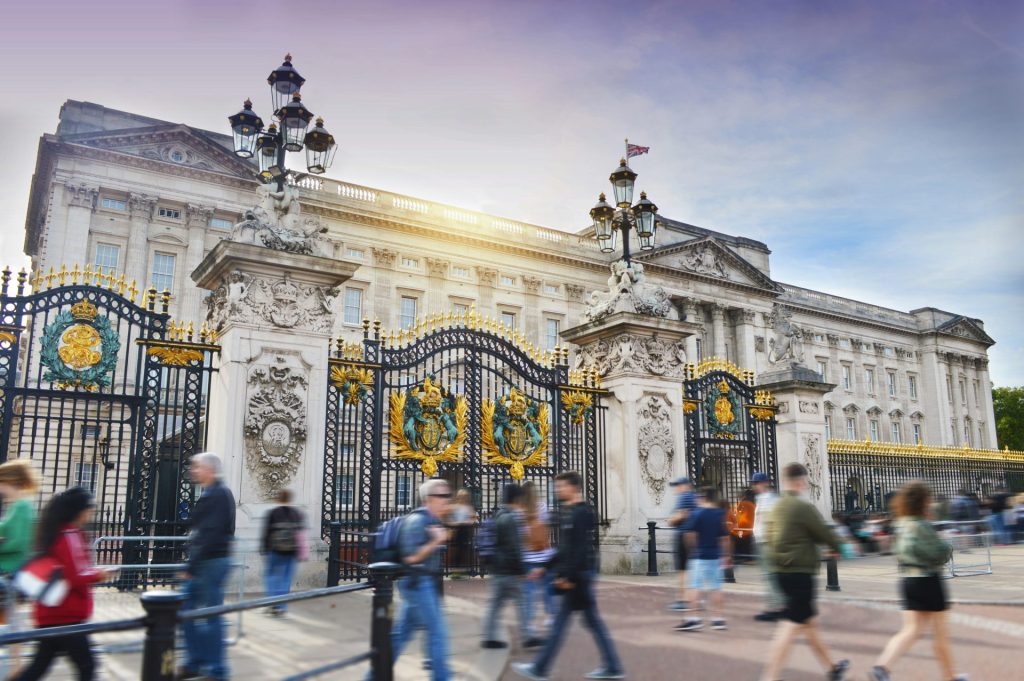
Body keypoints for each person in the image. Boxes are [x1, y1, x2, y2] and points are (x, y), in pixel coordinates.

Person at [511, 471, 625, 681]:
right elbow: (564, 549)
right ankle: (612, 665)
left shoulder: (582, 513)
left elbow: (580, 550)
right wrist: (543, 567)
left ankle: (541, 668)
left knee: (564, 624)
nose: (558, 490)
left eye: (561, 486)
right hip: (578, 575)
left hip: (579, 577)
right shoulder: (569, 511)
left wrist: (568, 577)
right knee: (587, 622)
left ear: (573, 487)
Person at [869, 480, 968, 681]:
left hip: (907, 580)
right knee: (940, 635)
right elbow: (940, 553)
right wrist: (946, 544)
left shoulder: (900, 524)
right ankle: (950, 677)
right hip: (929, 580)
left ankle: (882, 666)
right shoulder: (922, 525)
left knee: (911, 630)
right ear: (923, 502)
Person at [760, 463, 849, 681]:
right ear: (800, 482)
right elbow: (823, 534)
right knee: (790, 626)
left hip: (781, 571)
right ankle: (769, 677)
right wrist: (840, 548)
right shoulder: (803, 507)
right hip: (800, 573)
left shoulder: (776, 506)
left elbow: (769, 538)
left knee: (808, 623)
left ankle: (832, 668)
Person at [12, 487, 111, 681]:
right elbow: (75, 575)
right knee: (87, 666)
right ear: (79, 510)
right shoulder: (69, 535)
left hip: (53, 612)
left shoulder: (61, 532)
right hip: (66, 614)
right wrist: (99, 575)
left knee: (38, 668)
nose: (91, 514)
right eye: (90, 510)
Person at [367, 478, 453, 681]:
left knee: (400, 636)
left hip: (422, 584)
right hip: (417, 585)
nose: (447, 501)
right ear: (429, 498)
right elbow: (410, 557)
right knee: (438, 633)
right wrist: (436, 542)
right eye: (443, 496)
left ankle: (373, 676)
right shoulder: (416, 522)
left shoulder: (432, 521)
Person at [178, 452, 236, 681]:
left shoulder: (217, 494)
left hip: (209, 562)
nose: (193, 471)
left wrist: (190, 566)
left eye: (197, 467)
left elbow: (209, 532)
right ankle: (198, 661)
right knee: (190, 611)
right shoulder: (215, 492)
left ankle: (214, 668)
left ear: (210, 470)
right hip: (209, 560)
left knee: (208, 615)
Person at [481, 484, 541, 649]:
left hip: (499, 568)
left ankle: (488, 636)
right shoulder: (511, 518)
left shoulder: (499, 515)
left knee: (495, 605)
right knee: (521, 602)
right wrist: (522, 570)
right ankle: (528, 636)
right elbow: (515, 547)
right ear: (516, 499)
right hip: (509, 570)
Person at [0, 460, 39, 676]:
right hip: (8, 573)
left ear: (10, 481)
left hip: (11, 572)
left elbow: (18, 543)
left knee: (12, 622)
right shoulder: (15, 505)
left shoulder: (22, 506)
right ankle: (15, 669)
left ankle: (15, 669)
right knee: (12, 623)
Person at [675, 487, 731, 632]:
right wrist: (726, 555)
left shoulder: (697, 513)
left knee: (694, 587)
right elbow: (725, 538)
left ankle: (693, 619)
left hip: (699, 556)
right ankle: (718, 619)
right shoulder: (720, 514)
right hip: (715, 556)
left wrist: (692, 549)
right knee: (716, 588)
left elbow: (689, 535)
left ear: (704, 497)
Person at [520, 481, 556, 636]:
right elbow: (546, 530)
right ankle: (550, 615)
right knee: (548, 588)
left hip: (527, 556)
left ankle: (530, 623)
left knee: (529, 593)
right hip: (543, 555)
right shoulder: (542, 506)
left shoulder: (519, 511)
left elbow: (519, 535)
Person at [260, 488, 305, 616]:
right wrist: (301, 552)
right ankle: (282, 607)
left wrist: (264, 549)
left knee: (271, 577)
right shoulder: (296, 513)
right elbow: (300, 535)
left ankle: (272, 603)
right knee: (286, 579)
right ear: (289, 499)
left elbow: (266, 533)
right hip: (291, 551)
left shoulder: (273, 513)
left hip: (275, 550)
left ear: (278, 499)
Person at [751, 471, 783, 622]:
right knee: (770, 575)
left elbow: (773, 523)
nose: (755, 486)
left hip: (768, 542)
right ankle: (777, 605)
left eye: (757, 483)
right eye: (754, 483)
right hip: (762, 542)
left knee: (771, 575)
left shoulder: (771, 499)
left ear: (765, 483)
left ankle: (776, 607)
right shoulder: (762, 499)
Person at [666, 476, 697, 611]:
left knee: (682, 569)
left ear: (685, 485)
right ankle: (693, 598)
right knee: (690, 568)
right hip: (692, 535)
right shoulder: (694, 497)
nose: (677, 488)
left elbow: (680, 515)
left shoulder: (684, 497)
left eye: (678, 485)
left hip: (683, 535)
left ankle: (683, 599)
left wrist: (671, 520)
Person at [448, 488, 478, 575]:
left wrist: (468, 522)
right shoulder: (454, 507)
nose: (463, 498)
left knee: (465, 549)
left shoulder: (469, 507)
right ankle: (454, 569)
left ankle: (466, 568)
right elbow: (447, 518)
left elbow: (474, 519)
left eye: (464, 496)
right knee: (455, 549)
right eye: (461, 496)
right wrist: (453, 523)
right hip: (456, 530)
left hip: (465, 530)